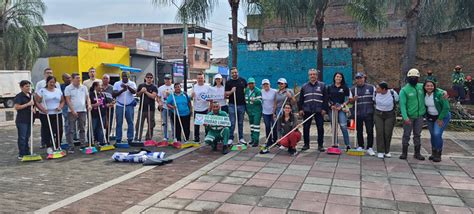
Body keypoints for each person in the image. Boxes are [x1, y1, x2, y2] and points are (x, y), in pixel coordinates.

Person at [298, 69, 328, 152]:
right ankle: (306, 144)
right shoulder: (304, 86)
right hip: (307, 110)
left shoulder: (322, 85)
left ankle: (320, 145)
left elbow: (325, 98)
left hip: (319, 110)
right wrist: (300, 109)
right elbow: (301, 99)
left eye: (314, 74)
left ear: (316, 75)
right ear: (309, 76)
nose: (312, 76)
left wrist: (324, 109)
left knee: (320, 128)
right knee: (306, 128)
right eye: (311, 74)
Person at [35, 76, 65, 154]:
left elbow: (62, 101)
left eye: (53, 82)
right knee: (47, 130)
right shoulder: (42, 91)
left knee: (59, 130)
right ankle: (48, 146)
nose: (52, 84)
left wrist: (60, 107)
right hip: (46, 114)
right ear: (47, 82)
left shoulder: (58, 91)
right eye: (50, 82)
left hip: (57, 113)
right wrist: (42, 109)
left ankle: (58, 145)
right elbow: (37, 101)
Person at [424, 80, 450, 162]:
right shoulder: (423, 94)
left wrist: (440, 118)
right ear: (424, 87)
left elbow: (446, 107)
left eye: (431, 85)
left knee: (437, 133)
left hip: (442, 116)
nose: (429, 87)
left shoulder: (440, 94)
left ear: (434, 86)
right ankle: (433, 152)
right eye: (427, 86)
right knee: (432, 134)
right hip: (430, 117)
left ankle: (438, 154)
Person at [350, 72, 376, 156]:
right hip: (358, 113)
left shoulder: (371, 88)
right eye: (357, 78)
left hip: (369, 113)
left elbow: (376, 100)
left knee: (370, 131)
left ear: (364, 78)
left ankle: (369, 147)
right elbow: (350, 103)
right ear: (356, 80)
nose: (359, 80)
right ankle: (360, 146)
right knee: (359, 131)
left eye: (361, 78)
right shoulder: (353, 89)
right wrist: (353, 99)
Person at [64, 73, 91, 153]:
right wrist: (72, 110)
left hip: (82, 110)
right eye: (77, 78)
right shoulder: (68, 88)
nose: (79, 80)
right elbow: (68, 100)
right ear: (72, 79)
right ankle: (71, 146)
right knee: (71, 129)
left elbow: (87, 98)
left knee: (82, 128)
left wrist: (89, 105)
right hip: (72, 111)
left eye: (79, 78)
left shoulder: (84, 87)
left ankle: (82, 144)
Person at [374, 82, 399, 159]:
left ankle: (387, 151)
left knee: (387, 132)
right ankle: (380, 151)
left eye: (378, 88)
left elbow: (397, 100)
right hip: (378, 114)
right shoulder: (375, 93)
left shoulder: (392, 93)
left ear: (384, 89)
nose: (376, 89)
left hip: (389, 115)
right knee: (380, 132)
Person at [326, 72, 351, 150]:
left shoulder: (345, 87)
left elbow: (348, 99)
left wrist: (342, 106)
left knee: (343, 126)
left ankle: (347, 144)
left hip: (341, 109)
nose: (338, 78)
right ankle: (335, 143)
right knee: (334, 127)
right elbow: (326, 98)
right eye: (337, 76)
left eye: (340, 77)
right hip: (332, 109)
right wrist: (331, 105)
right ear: (334, 78)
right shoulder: (329, 87)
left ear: (342, 78)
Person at [113, 71, 137, 145]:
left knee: (130, 122)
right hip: (120, 105)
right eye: (123, 76)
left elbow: (134, 92)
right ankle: (118, 139)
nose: (124, 77)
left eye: (126, 76)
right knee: (119, 123)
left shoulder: (132, 83)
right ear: (121, 76)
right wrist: (123, 90)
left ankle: (130, 138)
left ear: (128, 76)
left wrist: (128, 87)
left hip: (129, 105)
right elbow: (114, 94)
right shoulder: (117, 83)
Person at [225, 67, 247, 145]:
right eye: (233, 73)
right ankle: (230, 138)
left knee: (240, 123)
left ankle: (241, 138)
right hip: (232, 105)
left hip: (242, 105)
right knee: (232, 122)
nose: (234, 74)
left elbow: (247, 91)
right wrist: (231, 91)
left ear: (237, 72)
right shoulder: (228, 82)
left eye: (235, 72)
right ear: (231, 74)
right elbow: (226, 93)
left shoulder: (243, 81)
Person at [14, 80, 35, 159]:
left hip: (29, 119)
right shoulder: (19, 96)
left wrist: (33, 108)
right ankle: (21, 153)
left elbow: (33, 105)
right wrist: (27, 104)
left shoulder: (30, 95)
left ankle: (27, 152)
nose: (28, 88)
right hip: (22, 120)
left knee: (27, 137)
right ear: (21, 87)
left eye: (29, 86)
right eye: (26, 86)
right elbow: (17, 107)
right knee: (22, 137)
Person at [135, 72, 158, 141]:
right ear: (145, 78)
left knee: (151, 124)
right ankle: (138, 137)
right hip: (142, 108)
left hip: (150, 108)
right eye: (148, 77)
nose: (149, 79)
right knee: (139, 124)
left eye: (151, 78)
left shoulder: (154, 87)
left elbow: (153, 96)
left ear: (152, 79)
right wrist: (141, 91)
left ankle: (148, 138)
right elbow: (137, 95)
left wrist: (146, 92)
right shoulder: (141, 85)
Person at [192, 73, 210, 142]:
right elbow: (191, 96)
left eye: (201, 78)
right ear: (197, 79)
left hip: (205, 108)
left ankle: (207, 137)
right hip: (197, 108)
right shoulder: (194, 86)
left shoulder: (207, 86)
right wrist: (192, 95)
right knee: (196, 125)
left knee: (206, 125)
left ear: (204, 78)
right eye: (199, 78)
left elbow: (211, 96)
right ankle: (196, 138)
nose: (200, 79)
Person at [245, 78, 262, 147]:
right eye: (249, 83)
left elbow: (259, 101)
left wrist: (253, 100)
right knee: (251, 126)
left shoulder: (257, 91)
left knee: (256, 126)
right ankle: (252, 139)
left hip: (256, 111)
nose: (251, 85)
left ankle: (256, 141)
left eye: (252, 83)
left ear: (254, 84)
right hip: (249, 111)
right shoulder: (246, 90)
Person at [157, 74, 175, 143]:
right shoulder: (161, 88)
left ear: (171, 79)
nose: (167, 80)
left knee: (173, 122)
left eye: (168, 79)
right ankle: (165, 137)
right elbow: (158, 97)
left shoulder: (174, 87)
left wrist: (169, 95)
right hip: (164, 107)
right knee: (165, 123)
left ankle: (174, 136)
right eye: (166, 79)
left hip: (172, 107)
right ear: (164, 80)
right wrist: (159, 103)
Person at [261, 79, 277, 148]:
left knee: (274, 126)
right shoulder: (261, 92)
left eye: (267, 84)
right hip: (265, 112)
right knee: (267, 127)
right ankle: (269, 141)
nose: (266, 86)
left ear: (269, 84)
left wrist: (274, 111)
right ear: (262, 86)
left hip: (273, 112)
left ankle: (276, 140)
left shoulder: (274, 91)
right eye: (264, 84)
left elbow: (276, 101)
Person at [60, 73, 72, 142]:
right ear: (63, 79)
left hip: (73, 105)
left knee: (74, 121)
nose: (69, 79)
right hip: (65, 105)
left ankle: (75, 136)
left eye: (70, 77)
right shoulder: (61, 86)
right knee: (67, 121)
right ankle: (68, 137)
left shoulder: (73, 85)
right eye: (67, 78)